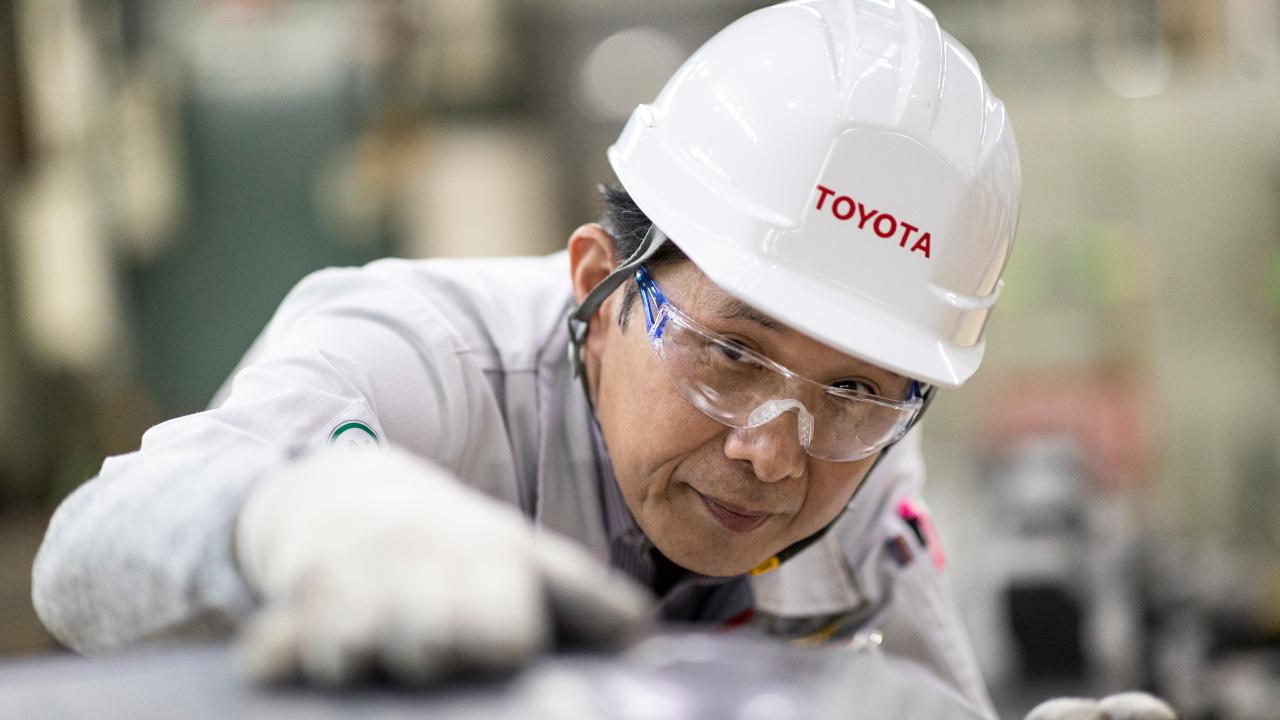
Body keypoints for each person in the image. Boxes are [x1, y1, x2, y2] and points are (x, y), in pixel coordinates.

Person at [32, 0, 1037, 716]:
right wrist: (294, 518)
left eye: (855, 389)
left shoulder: (857, 459)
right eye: (732, 352)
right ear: (597, 284)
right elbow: (80, 566)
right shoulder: (418, 360)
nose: (773, 454)